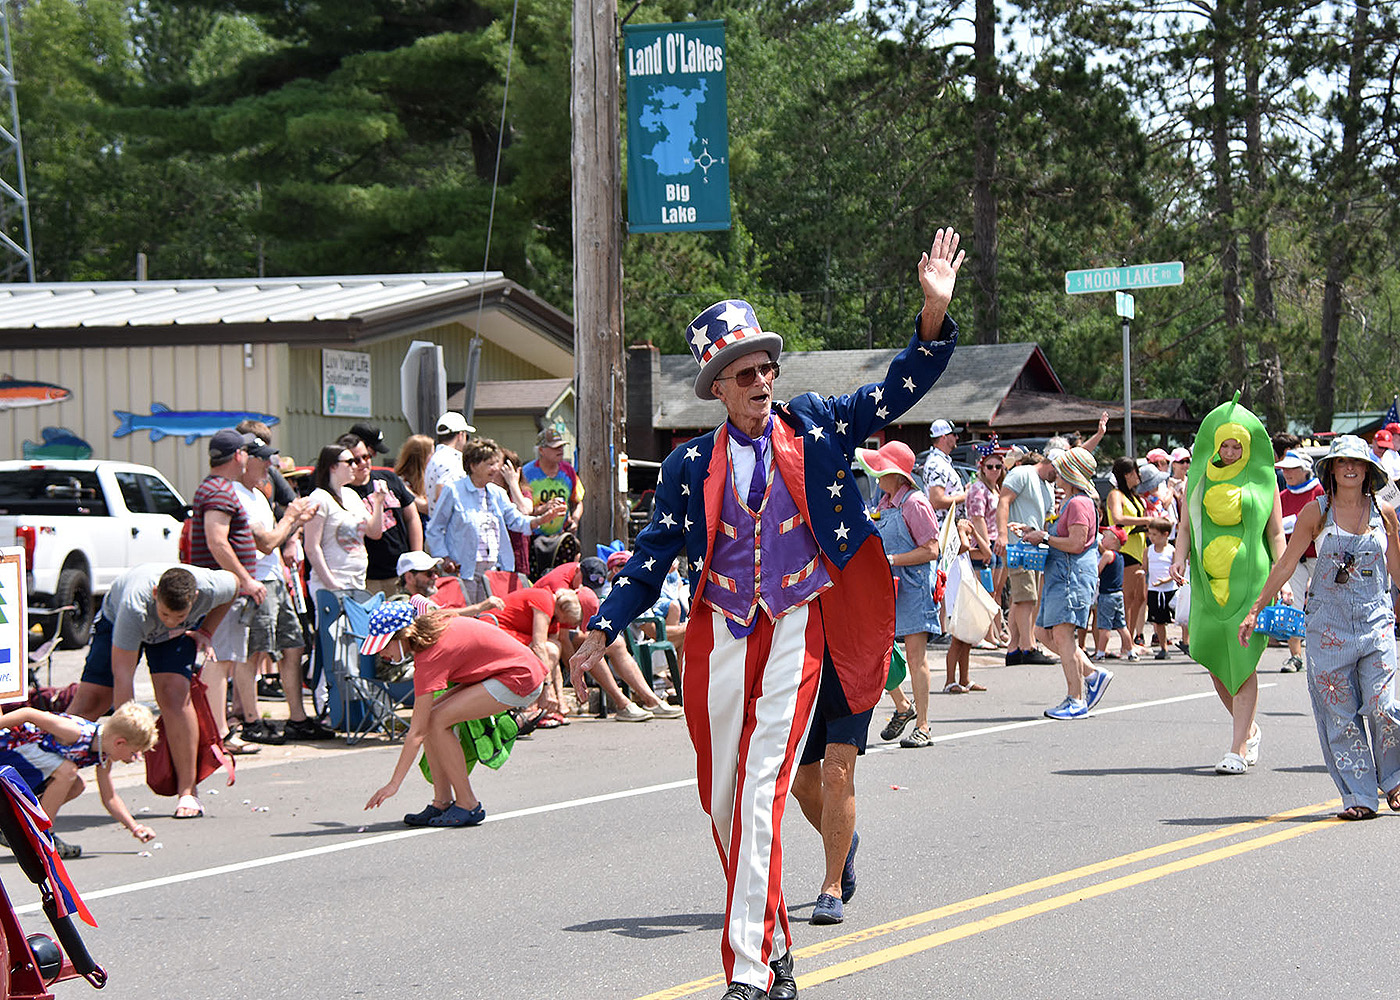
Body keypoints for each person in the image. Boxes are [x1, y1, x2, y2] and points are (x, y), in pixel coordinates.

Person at [570, 229, 964, 1000]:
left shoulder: (816, 423)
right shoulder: (689, 465)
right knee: (720, 801)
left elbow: (897, 389)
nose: (761, 381)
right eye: (744, 373)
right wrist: (605, 621)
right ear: (717, 385)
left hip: (795, 626)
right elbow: (652, 555)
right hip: (718, 632)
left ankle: (749, 974)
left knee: (759, 793)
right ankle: (775, 945)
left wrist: (932, 313)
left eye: (765, 367)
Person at [1238, 435, 1400, 818]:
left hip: (1375, 621)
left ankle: (1393, 779)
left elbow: (1396, 568)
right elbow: (1286, 564)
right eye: (1341, 462)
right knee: (1339, 714)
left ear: (1368, 471)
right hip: (1327, 628)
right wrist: (1256, 608)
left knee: (1384, 705)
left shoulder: (1386, 513)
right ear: (1330, 470)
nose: (1349, 469)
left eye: (1357, 464)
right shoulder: (1316, 512)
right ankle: (1359, 796)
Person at [68, 565, 238, 819]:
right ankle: (44, 774)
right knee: (94, 699)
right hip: (118, 621)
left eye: (178, 616)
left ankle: (188, 791)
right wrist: (128, 737)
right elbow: (123, 675)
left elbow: (236, 585)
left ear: (194, 598)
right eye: (165, 613)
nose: (169, 620)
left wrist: (205, 631)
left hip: (173, 639)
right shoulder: (134, 606)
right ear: (156, 593)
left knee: (175, 696)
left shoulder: (213, 587)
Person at [362, 602, 551, 827]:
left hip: (521, 678)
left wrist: (393, 784)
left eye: (384, 646)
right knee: (432, 718)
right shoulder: (430, 625)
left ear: (404, 635)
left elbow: (416, 732)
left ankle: (468, 804)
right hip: (504, 671)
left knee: (437, 721)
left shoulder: (430, 654)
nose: (382, 654)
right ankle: (442, 801)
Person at [1170, 399, 1283, 775]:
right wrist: (1178, 559)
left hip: (1251, 580)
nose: (1231, 451)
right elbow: (1185, 527)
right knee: (1214, 660)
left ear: (1248, 446)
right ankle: (1249, 730)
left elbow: (1276, 532)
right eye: (1225, 445)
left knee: (1242, 659)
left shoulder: (1264, 479)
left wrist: (1281, 582)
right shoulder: (1197, 478)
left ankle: (1237, 748)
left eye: (1238, 445)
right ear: (1215, 444)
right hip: (1206, 582)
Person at [234, 441, 333, 741]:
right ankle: (251, 722)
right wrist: (290, 519)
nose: (269, 467)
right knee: (254, 652)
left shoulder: (257, 494)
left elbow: (274, 537)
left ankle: (297, 718)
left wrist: (294, 525)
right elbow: (264, 542)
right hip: (256, 581)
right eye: (263, 460)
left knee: (293, 646)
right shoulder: (236, 495)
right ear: (244, 460)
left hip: (275, 578)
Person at [187, 429, 268, 755]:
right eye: (246, 452)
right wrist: (245, 580)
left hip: (225, 591)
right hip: (223, 592)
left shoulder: (216, 488)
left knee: (223, 660)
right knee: (218, 661)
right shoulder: (218, 492)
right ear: (238, 456)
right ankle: (217, 734)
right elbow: (216, 540)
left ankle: (218, 731)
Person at [1018, 448, 1113, 720]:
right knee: (1042, 632)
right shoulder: (1074, 502)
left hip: (1070, 578)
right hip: (1061, 577)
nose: (1056, 473)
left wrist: (1044, 537)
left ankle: (1076, 698)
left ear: (1071, 473)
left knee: (1062, 636)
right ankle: (1093, 676)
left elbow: (1075, 543)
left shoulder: (1079, 503)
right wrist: (1035, 534)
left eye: (1061, 469)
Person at [857, 441, 940, 748]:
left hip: (914, 588)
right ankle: (904, 706)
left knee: (917, 658)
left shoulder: (915, 503)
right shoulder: (886, 501)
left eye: (881, 471)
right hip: (888, 588)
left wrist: (890, 560)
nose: (876, 476)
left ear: (897, 475)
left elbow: (932, 549)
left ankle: (924, 725)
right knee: (877, 652)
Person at [0, 702, 159, 858]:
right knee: (67, 772)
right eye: (133, 752)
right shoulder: (75, 732)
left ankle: (19, 826)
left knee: (77, 785)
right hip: (9, 751)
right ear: (120, 743)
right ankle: (41, 835)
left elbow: (109, 797)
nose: (134, 758)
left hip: (29, 765)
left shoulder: (104, 755)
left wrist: (135, 827)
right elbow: (29, 714)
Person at [424, 438, 564, 600]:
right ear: (473, 466)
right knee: (469, 616)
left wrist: (541, 519)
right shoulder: (453, 491)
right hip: (464, 570)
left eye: (496, 463)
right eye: (490, 464)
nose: (496, 468)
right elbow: (434, 529)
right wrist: (445, 557)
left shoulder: (497, 493)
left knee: (490, 616)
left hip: (494, 570)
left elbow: (516, 521)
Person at [340, 431, 423, 598]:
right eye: (356, 460)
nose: (364, 463)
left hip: (400, 571)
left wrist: (416, 558)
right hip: (368, 577)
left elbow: (412, 517)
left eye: (367, 456)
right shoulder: (344, 493)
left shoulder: (388, 478)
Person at [995, 451, 1058, 666]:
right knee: (1026, 597)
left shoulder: (1047, 486)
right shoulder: (1022, 473)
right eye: (1057, 471)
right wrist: (1002, 535)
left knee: (1023, 598)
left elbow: (1047, 518)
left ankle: (1014, 648)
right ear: (1050, 463)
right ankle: (1028, 646)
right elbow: (1004, 501)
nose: (1058, 477)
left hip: (1035, 547)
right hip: (1017, 544)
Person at [303, 442, 387, 601]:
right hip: (332, 585)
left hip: (358, 582)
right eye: (349, 462)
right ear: (333, 467)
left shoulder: (351, 495)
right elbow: (311, 547)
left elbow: (374, 533)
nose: (355, 466)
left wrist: (379, 502)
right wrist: (332, 584)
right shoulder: (319, 498)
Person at [1275, 450, 1325, 672]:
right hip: (1294, 558)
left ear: (1304, 470)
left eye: (1291, 468)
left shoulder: (1319, 492)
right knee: (1292, 607)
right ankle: (1295, 657)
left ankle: (1326, 655)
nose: (1286, 473)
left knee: (1325, 605)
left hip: (1319, 557)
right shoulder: (1283, 496)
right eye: (1284, 469)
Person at [1106, 457, 1152, 655]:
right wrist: (1147, 519)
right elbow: (1118, 518)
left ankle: (1131, 639)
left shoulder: (1134, 496)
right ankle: (1126, 643)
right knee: (1128, 597)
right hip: (1124, 548)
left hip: (1139, 548)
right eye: (1135, 472)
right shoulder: (1115, 495)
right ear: (1126, 474)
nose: (1138, 476)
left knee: (1140, 597)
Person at [965, 444, 1008, 646]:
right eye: (989, 466)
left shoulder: (997, 488)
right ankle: (985, 634)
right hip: (985, 544)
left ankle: (996, 632)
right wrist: (985, 547)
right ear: (982, 468)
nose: (994, 470)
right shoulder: (978, 489)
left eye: (998, 467)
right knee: (984, 591)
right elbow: (977, 518)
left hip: (995, 543)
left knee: (995, 592)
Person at [395, 550, 503, 617]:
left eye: (435, 572)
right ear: (409, 577)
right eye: (429, 573)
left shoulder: (426, 601)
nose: (435, 577)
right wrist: (479, 607)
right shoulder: (400, 602)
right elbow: (432, 615)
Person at [521, 426, 585, 537]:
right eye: (555, 447)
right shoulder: (527, 473)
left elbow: (578, 502)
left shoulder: (568, 470)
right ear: (541, 450)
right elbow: (520, 511)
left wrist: (575, 520)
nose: (560, 450)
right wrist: (545, 508)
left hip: (561, 537)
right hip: (533, 538)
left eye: (562, 446)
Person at [1093, 526, 1136, 661]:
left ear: (1113, 540)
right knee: (1122, 626)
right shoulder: (1120, 557)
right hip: (1118, 594)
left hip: (1107, 595)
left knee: (1104, 627)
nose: (1102, 539)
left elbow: (1098, 571)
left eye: (1105, 537)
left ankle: (1100, 653)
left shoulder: (1108, 555)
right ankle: (1131, 652)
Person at [423, 411, 474, 518]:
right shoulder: (452, 460)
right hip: (452, 531)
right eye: (466, 436)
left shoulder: (435, 458)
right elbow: (443, 494)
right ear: (460, 435)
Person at [921, 418, 966, 528]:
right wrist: (965, 496)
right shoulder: (937, 464)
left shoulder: (939, 461)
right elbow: (936, 501)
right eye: (954, 434)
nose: (957, 437)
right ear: (943, 437)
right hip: (944, 530)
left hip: (948, 527)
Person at [1144, 518, 1177, 660]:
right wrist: (1141, 573)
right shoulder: (1148, 551)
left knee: (1181, 617)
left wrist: (1167, 579)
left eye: (1155, 534)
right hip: (1154, 590)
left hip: (1170, 589)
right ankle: (1164, 648)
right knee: (1159, 621)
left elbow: (1177, 570)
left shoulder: (1171, 550)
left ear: (1165, 534)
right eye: (1150, 534)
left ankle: (1187, 642)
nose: (1151, 537)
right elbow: (1144, 568)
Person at [393, 433, 435, 518]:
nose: (434, 458)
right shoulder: (400, 483)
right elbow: (426, 508)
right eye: (431, 454)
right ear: (421, 458)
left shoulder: (428, 478)